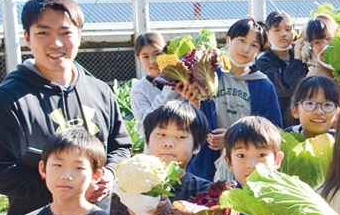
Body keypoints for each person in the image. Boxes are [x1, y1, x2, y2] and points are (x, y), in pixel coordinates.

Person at [0, 0, 132, 215]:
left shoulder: (100, 91)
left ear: (79, 36)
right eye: (43, 33)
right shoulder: (7, 99)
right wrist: (67, 188)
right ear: (27, 38)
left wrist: (110, 174)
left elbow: (120, 147)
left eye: (65, 32)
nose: (56, 43)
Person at [181, 18, 283, 182]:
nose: (246, 49)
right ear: (228, 40)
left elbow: (274, 131)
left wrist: (232, 139)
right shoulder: (206, 75)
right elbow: (186, 125)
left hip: (246, 170)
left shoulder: (263, 85)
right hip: (203, 166)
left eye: (254, 45)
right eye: (241, 40)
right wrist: (193, 105)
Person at [255, 10, 308, 128]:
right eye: (277, 30)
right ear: (267, 33)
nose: (283, 34)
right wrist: (298, 60)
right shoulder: (263, 62)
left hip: (303, 122)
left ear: (294, 32)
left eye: (288, 29)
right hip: (278, 124)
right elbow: (286, 89)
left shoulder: (303, 54)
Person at [131, 31, 173, 135]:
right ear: (139, 59)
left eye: (157, 54)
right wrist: (170, 89)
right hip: (156, 148)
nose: (152, 61)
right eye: (145, 57)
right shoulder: (138, 90)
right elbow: (148, 120)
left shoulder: (183, 80)